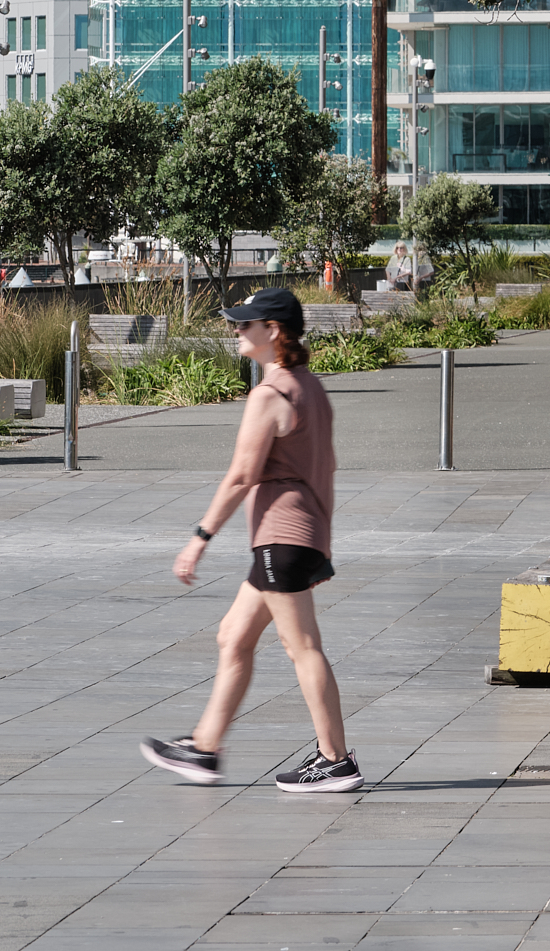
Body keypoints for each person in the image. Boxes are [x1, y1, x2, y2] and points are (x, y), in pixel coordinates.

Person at [140, 287, 362, 791]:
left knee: (302, 647)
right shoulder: (309, 387)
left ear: (274, 332)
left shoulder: (271, 395)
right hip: (296, 536)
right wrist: (319, 547)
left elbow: (242, 476)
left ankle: (336, 760)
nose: (236, 331)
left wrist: (200, 538)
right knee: (233, 636)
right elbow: (323, 468)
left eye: (245, 324)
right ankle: (204, 749)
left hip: (282, 537)